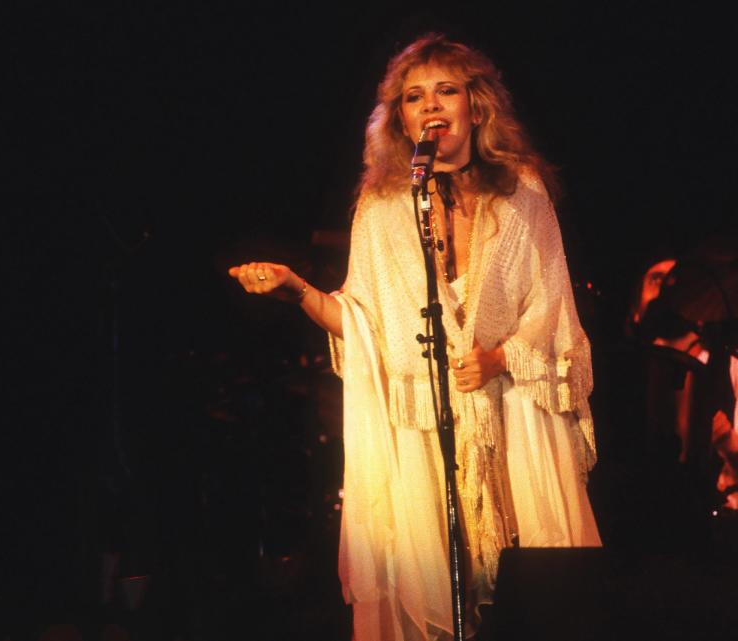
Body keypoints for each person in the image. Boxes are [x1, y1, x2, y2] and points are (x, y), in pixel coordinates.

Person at [229, 34, 600, 640]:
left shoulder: (523, 192)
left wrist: (501, 356)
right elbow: (366, 324)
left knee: (528, 599)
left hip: (511, 426)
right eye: (413, 96)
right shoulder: (380, 206)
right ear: (399, 117)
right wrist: (297, 289)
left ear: (475, 106)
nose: (430, 105)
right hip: (427, 443)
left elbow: (553, 306)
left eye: (445, 90)